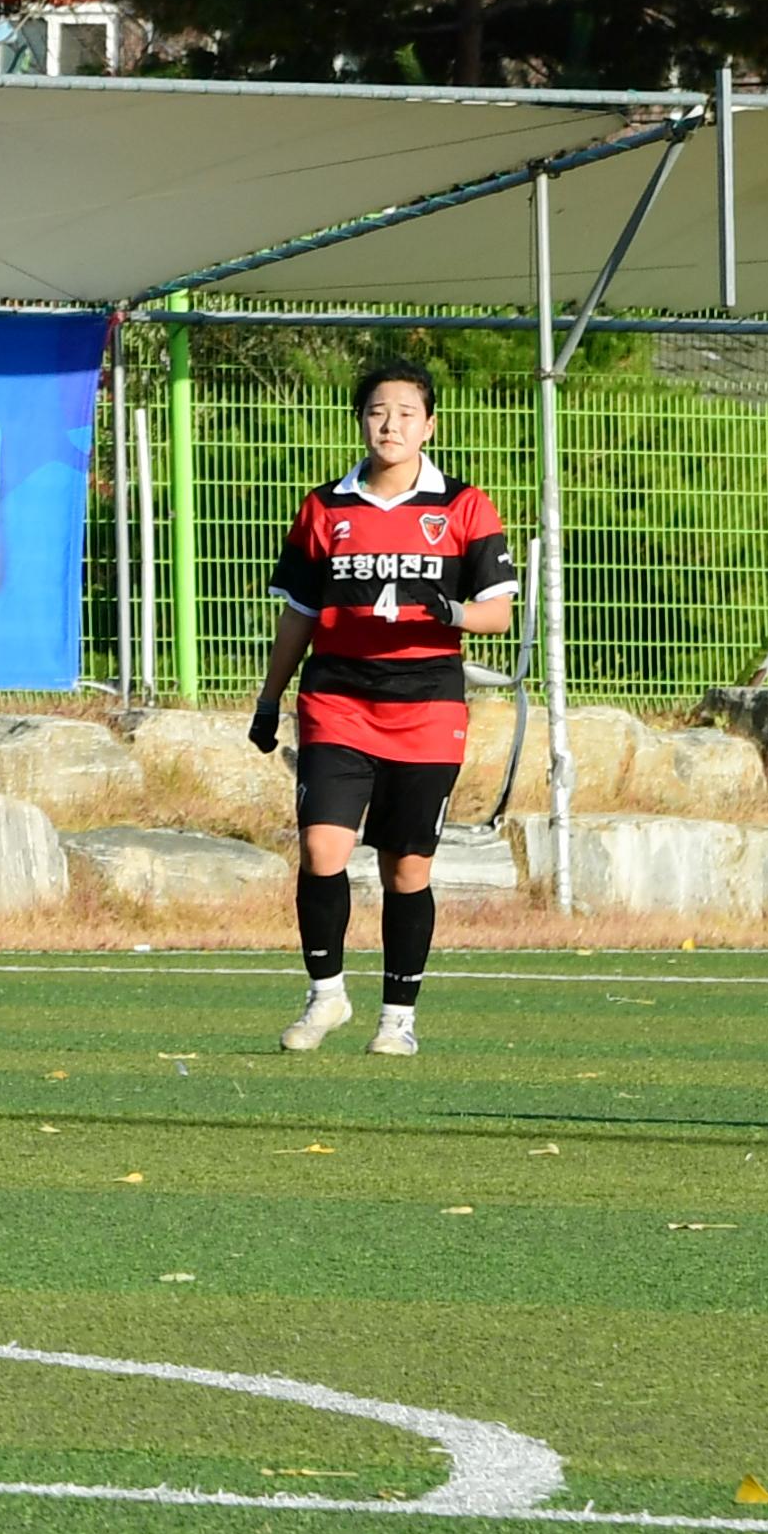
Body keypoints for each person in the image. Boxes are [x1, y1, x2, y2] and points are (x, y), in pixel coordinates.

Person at [246, 364, 518, 1060]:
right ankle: (326, 993)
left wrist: (450, 610)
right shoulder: (325, 508)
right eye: (376, 411)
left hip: (427, 707)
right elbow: (299, 616)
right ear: (361, 422)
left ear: (430, 425)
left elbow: (498, 612)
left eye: (405, 412)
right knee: (320, 850)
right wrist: (270, 698)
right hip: (336, 699)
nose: (390, 424)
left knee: (406, 868)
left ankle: (398, 1016)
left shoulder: (464, 506)